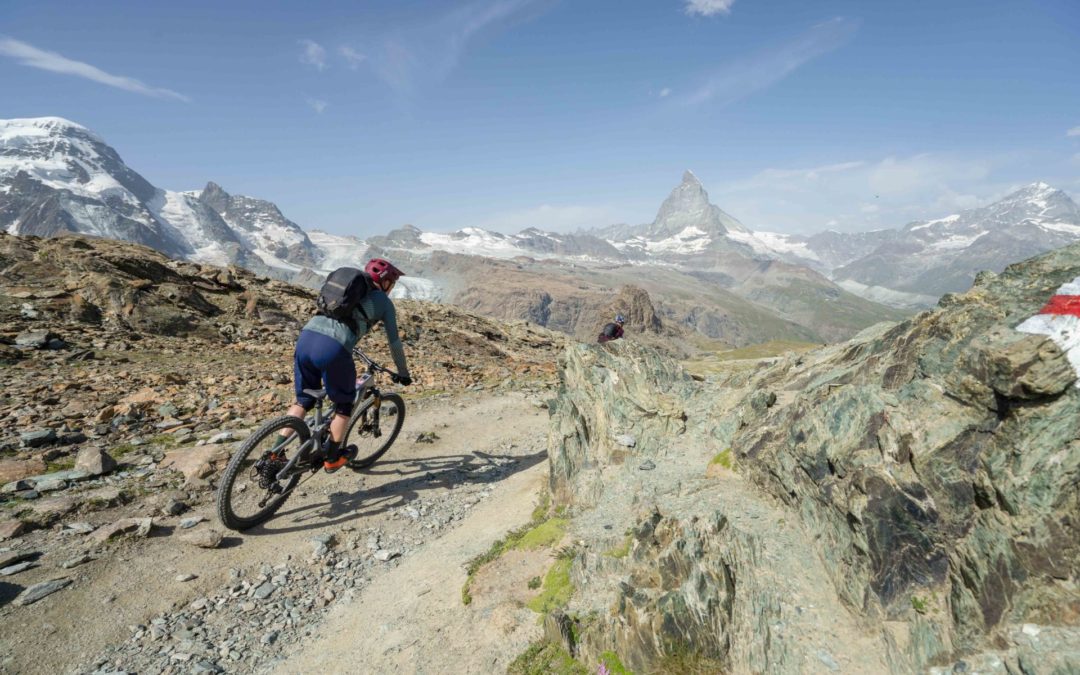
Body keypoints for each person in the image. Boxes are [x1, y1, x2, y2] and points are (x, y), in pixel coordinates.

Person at [284, 258, 412, 472]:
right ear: (387, 282)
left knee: (303, 401)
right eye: (393, 283)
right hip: (333, 348)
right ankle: (332, 458)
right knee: (344, 405)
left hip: (306, 338)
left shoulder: (345, 292)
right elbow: (394, 342)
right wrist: (403, 373)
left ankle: (274, 454)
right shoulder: (383, 302)